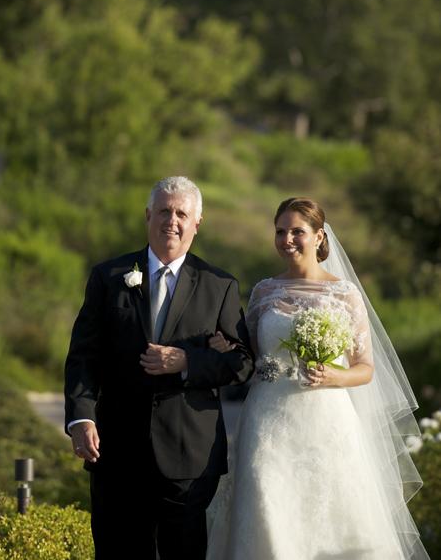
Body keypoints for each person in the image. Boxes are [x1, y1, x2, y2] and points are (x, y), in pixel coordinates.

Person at [206, 198, 426, 560]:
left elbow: (365, 368)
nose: (287, 239)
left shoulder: (344, 294)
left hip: (326, 422)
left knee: (327, 515)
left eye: (297, 231)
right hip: (267, 421)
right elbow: (247, 356)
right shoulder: (263, 292)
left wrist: (333, 375)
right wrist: (223, 346)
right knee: (265, 500)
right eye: (280, 231)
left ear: (319, 236)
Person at [64, 176, 254, 560]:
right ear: (148, 215)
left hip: (189, 458)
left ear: (196, 223)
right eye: (164, 211)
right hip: (116, 453)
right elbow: (84, 356)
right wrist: (81, 419)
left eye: (182, 213)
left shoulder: (220, 285)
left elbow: (243, 363)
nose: (172, 220)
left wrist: (188, 362)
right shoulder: (109, 277)